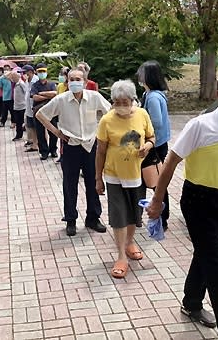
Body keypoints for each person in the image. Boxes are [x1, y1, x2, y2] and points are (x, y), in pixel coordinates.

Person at [146, 73, 218, 340]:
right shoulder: (201, 125)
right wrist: (158, 201)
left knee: (206, 253)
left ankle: (191, 303)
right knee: (217, 266)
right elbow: (170, 162)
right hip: (199, 201)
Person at [37, 68, 112, 236]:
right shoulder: (61, 99)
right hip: (70, 146)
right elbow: (41, 115)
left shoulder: (94, 97)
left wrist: (103, 133)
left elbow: (110, 114)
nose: (75, 82)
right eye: (71, 79)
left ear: (85, 82)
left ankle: (93, 217)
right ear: (67, 82)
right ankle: (70, 219)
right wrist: (56, 132)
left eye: (78, 79)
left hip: (91, 145)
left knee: (93, 182)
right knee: (69, 185)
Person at [95, 80, 155, 277]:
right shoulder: (107, 120)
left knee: (134, 213)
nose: (121, 105)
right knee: (119, 214)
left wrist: (147, 146)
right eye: (117, 102)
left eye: (125, 101)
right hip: (114, 175)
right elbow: (101, 151)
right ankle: (121, 255)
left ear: (133, 99)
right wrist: (98, 178)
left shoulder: (142, 114)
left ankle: (130, 242)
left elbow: (151, 137)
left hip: (136, 174)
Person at [137, 60, 171, 229]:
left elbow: (156, 123)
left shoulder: (153, 97)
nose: (139, 76)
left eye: (142, 73)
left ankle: (162, 217)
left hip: (155, 146)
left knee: (156, 182)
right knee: (152, 180)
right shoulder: (149, 95)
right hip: (156, 144)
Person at [31, 63, 58, 160]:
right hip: (38, 112)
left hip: (51, 112)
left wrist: (41, 94)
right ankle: (44, 152)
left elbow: (55, 94)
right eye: (40, 72)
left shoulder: (51, 84)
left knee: (54, 132)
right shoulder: (34, 85)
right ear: (37, 73)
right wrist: (48, 95)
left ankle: (53, 150)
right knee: (40, 133)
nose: (42, 73)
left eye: (43, 71)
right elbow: (35, 97)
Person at [23, 65, 39, 153]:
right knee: (31, 126)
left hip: (35, 106)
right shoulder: (27, 81)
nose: (24, 74)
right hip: (28, 108)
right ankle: (34, 144)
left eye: (25, 72)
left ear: (30, 71)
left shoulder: (36, 80)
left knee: (38, 127)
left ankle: (41, 143)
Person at [9, 69, 27, 141]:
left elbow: (26, 92)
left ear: (18, 77)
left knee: (22, 122)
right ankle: (18, 135)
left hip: (22, 106)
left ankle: (23, 135)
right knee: (18, 122)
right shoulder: (15, 84)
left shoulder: (21, 83)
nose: (12, 79)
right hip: (16, 106)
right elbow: (7, 76)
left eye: (13, 77)